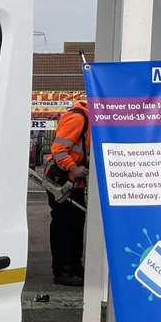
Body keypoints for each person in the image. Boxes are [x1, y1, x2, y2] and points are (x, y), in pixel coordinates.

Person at [46, 96, 89, 287]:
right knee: (64, 226)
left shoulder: (88, 118)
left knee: (76, 224)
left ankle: (73, 265)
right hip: (63, 180)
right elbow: (59, 149)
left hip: (74, 183)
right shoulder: (78, 118)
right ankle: (62, 270)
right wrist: (73, 168)